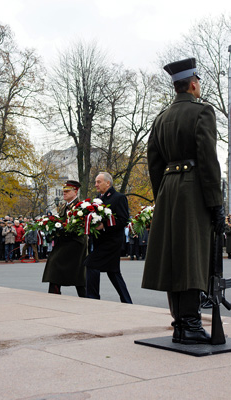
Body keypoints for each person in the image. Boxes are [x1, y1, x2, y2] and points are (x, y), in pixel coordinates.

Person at [142, 58, 225, 345]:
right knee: (191, 256)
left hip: (168, 188)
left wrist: (163, 194)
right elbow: (208, 161)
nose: (199, 86)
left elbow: (153, 161)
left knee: (174, 257)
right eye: (198, 82)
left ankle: (180, 323)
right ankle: (190, 324)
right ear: (192, 84)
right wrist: (217, 203)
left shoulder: (161, 118)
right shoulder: (202, 112)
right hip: (193, 190)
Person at [85, 172, 132, 303]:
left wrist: (104, 225)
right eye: (95, 182)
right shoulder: (96, 200)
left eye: (99, 182)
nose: (96, 184)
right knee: (113, 272)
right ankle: (127, 301)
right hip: (101, 242)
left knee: (91, 263)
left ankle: (92, 299)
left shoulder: (119, 197)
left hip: (112, 242)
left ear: (108, 183)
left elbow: (123, 220)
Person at [42, 180, 87, 297]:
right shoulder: (63, 207)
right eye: (64, 191)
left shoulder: (80, 206)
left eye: (67, 191)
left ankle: (84, 296)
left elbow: (80, 226)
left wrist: (63, 229)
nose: (64, 193)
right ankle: (54, 293)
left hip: (76, 242)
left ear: (75, 191)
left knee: (76, 272)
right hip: (64, 241)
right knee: (55, 265)